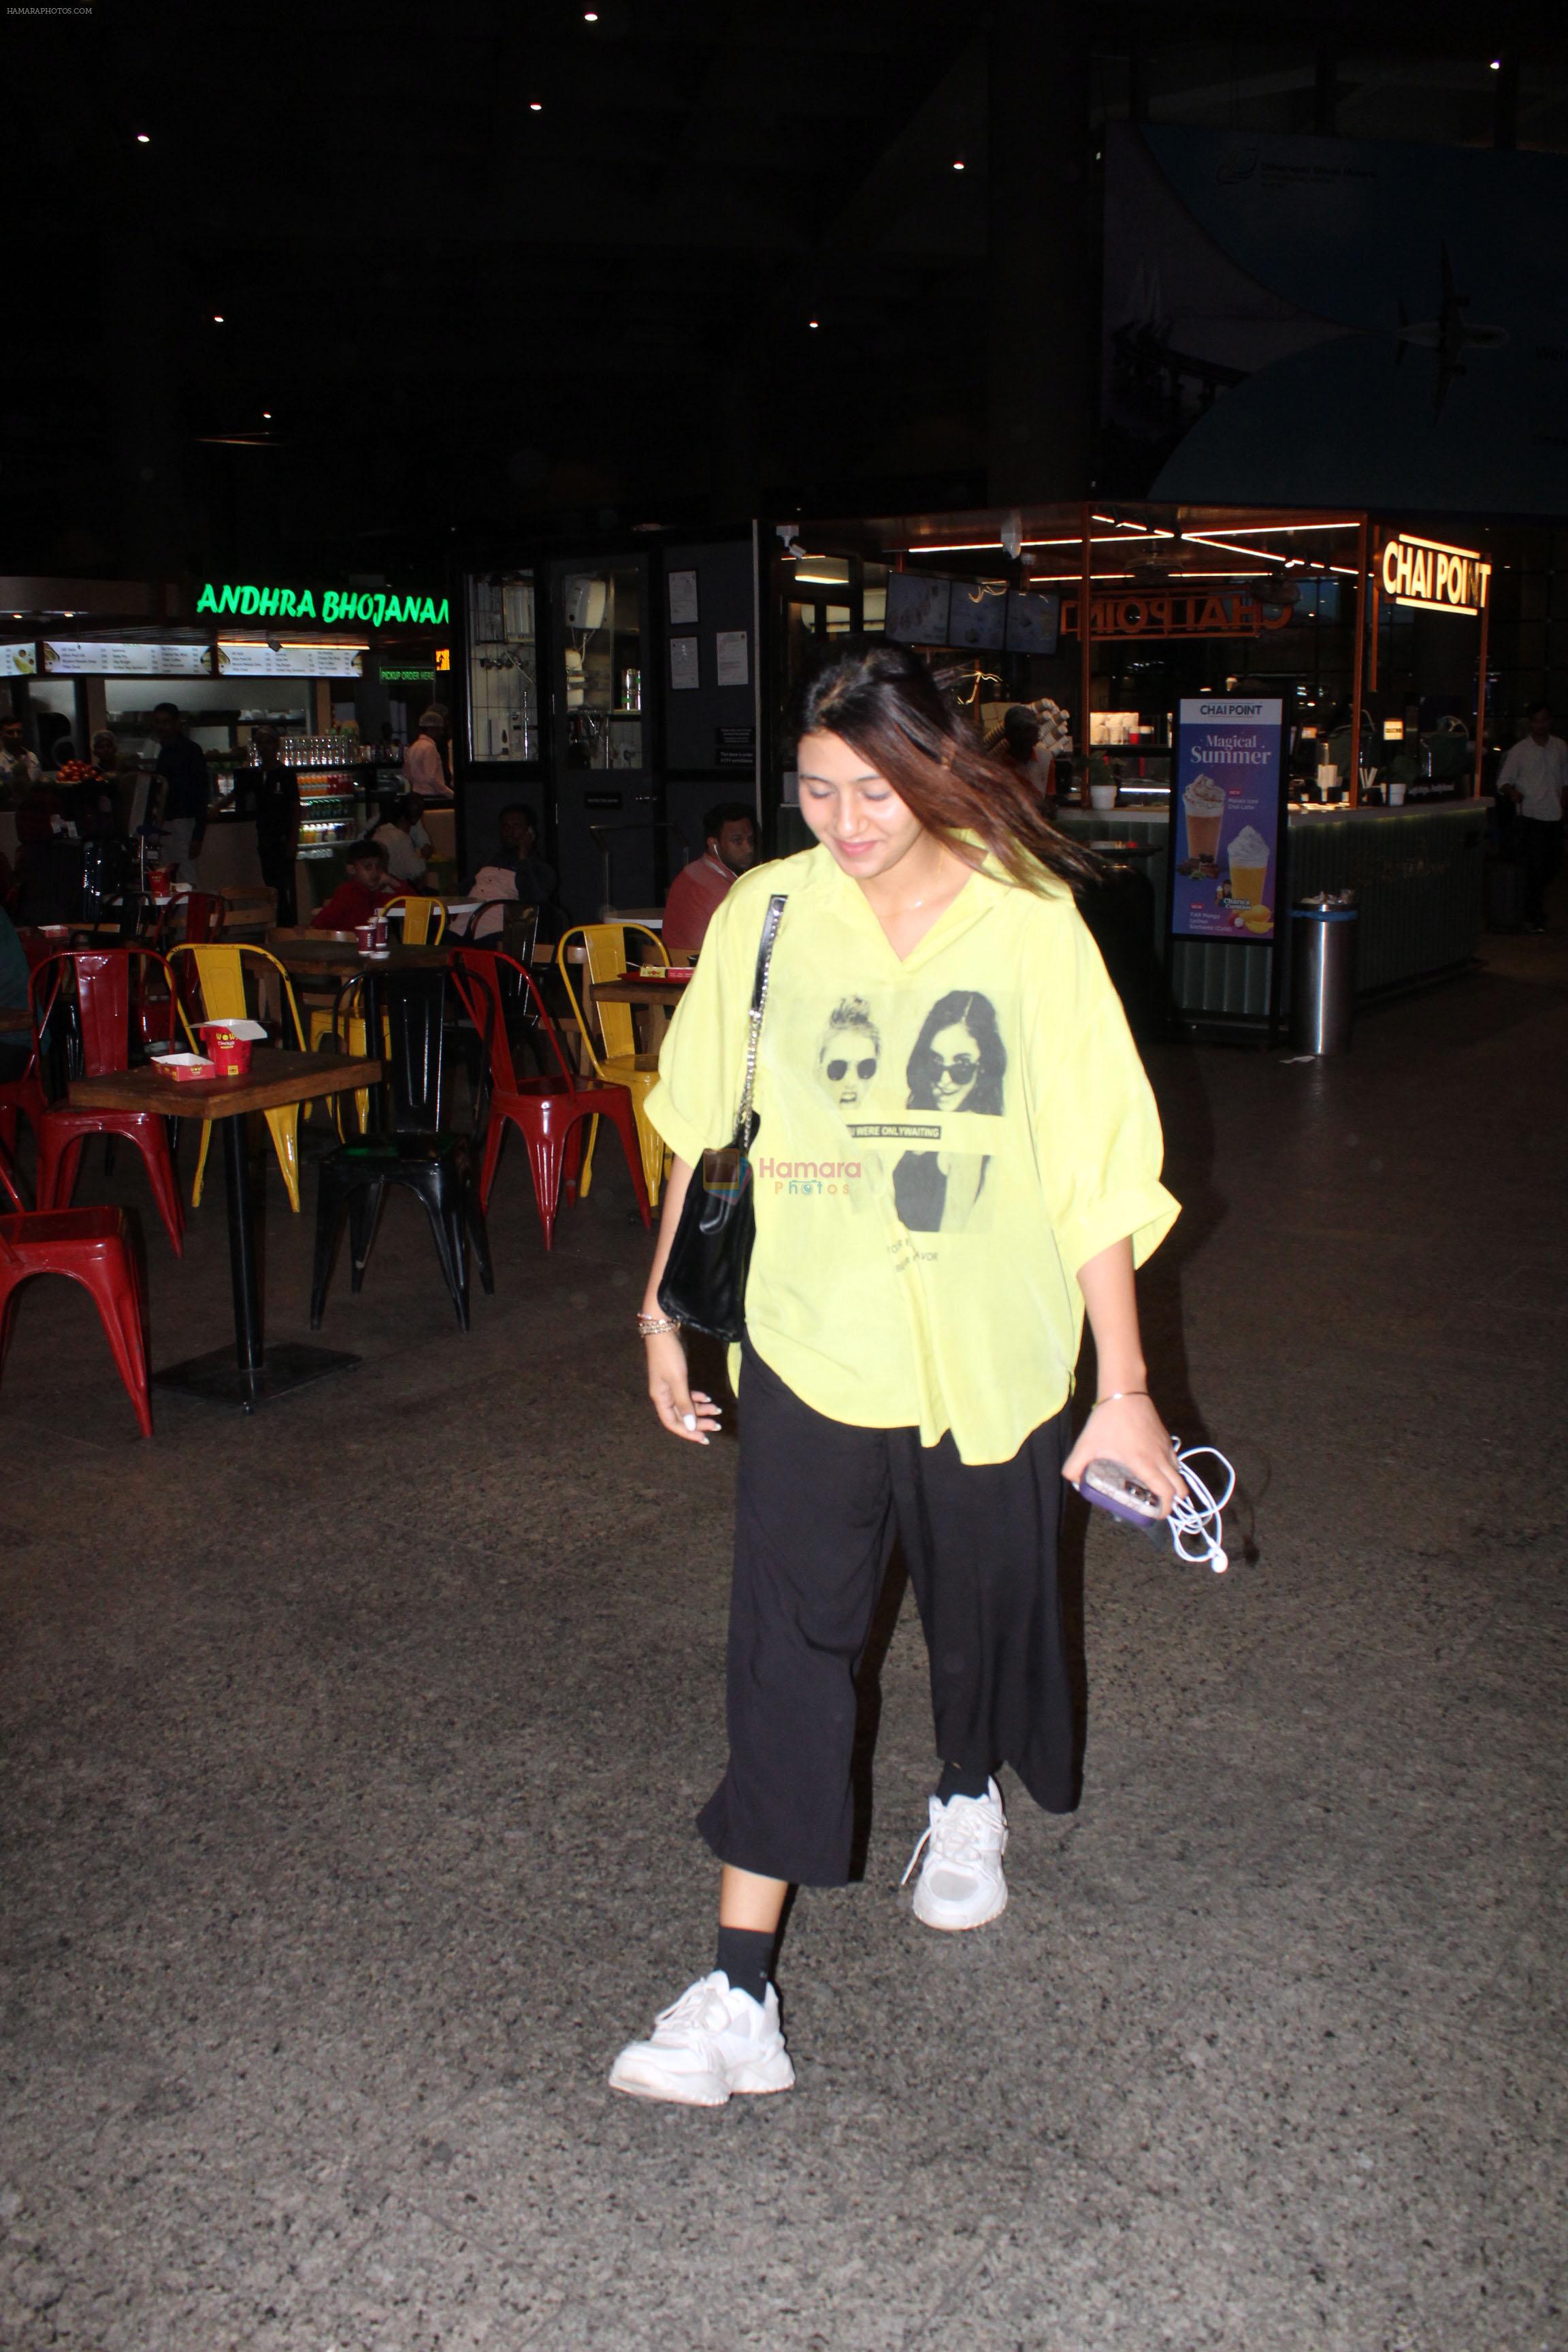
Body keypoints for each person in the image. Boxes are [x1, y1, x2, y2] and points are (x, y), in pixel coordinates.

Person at [610, 640, 1183, 2108]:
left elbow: (1098, 1172)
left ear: (935, 771)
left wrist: (1125, 1387)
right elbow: (705, 1127)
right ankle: (738, 1991)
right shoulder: (771, 914)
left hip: (995, 1339)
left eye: (875, 788)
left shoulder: (1029, 922)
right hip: (816, 1335)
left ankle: (964, 1791)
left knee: (985, 1602)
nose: (846, 819)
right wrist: (665, 1315)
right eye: (817, 788)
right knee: (787, 1643)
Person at [1497, 702, 1567, 933]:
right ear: (1531, 723)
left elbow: (1564, 780)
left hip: (1554, 815)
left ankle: (1532, 907)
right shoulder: (1520, 751)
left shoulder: (1560, 747)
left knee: (1552, 864)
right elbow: (1503, 782)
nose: (1540, 724)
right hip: (1531, 815)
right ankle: (1534, 912)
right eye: (1536, 720)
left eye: (1544, 720)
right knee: (1536, 866)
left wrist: (1563, 805)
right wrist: (1513, 793)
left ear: (1550, 721)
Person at [661, 802, 758, 957]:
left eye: (750, 840)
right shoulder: (722, 889)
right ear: (713, 844)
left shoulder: (691, 872)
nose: (749, 848)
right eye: (738, 841)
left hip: (678, 969)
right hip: (706, 973)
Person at [246, 725, 301, 925]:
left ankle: (286, 925)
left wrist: (293, 840)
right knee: (272, 885)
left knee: (282, 886)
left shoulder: (285, 774)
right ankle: (279, 925)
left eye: (268, 742)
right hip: (265, 838)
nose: (264, 747)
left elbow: (296, 808)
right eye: (260, 743)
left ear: (276, 745)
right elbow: (238, 793)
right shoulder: (256, 774)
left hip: (282, 838)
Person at [150, 702, 210, 883]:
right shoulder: (162, 751)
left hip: (184, 823)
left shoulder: (191, 751)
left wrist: (198, 836)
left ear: (177, 723)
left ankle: (187, 912)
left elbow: (202, 794)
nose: (162, 727)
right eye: (158, 722)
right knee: (167, 878)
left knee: (185, 877)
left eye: (166, 722)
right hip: (164, 824)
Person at [310, 838, 397, 931]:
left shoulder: (375, 895)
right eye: (368, 867)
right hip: (348, 943)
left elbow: (411, 903)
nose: (375, 872)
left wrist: (391, 881)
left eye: (378, 867)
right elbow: (321, 923)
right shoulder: (347, 893)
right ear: (352, 869)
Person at [372, 794, 434, 887]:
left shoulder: (378, 832)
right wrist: (424, 858)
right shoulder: (402, 838)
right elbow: (417, 871)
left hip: (378, 891)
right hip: (398, 892)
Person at [403, 707, 453, 802]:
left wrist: (418, 784)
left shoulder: (414, 746)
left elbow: (406, 773)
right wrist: (449, 793)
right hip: (432, 795)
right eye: (439, 729)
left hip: (417, 794)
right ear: (432, 729)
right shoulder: (430, 748)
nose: (441, 733)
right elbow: (431, 778)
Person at [0, 716, 42, 789]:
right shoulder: (1, 762)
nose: (16, 736)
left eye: (19, 732)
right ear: (1, 735)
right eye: (10, 733)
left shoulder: (32, 757)